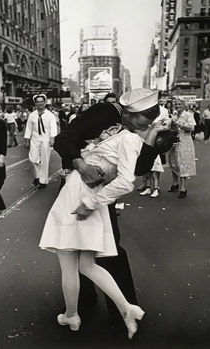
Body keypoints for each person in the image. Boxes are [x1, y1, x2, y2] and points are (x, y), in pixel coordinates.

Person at [53, 88, 163, 325]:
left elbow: (137, 170)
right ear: (128, 113)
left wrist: (154, 144)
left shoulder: (138, 130)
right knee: (78, 247)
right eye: (145, 120)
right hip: (78, 185)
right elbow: (63, 140)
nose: (146, 126)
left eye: (152, 121)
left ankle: (119, 309)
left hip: (103, 193)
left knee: (107, 246)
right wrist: (83, 167)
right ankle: (83, 303)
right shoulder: (104, 112)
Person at [24, 94, 57, 189]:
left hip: (46, 139)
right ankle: (37, 176)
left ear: (45, 102)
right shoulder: (32, 115)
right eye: (38, 101)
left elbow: (53, 127)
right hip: (35, 139)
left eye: (42, 101)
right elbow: (28, 128)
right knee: (33, 159)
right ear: (35, 103)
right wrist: (27, 140)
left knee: (45, 160)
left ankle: (43, 181)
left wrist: (52, 138)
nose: (40, 103)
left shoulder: (50, 115)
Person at [168, 98, 196, 198]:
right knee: (174, 162)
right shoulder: (174, 114)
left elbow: (192, 128)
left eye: (179, 104)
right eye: (176, 104)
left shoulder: (188, 114)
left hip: (185, 141)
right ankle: (175, 183)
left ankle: (183, 188)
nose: (177, 106)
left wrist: (179, 124)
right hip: (174, 140)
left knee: (183, 163)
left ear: (184, 105)